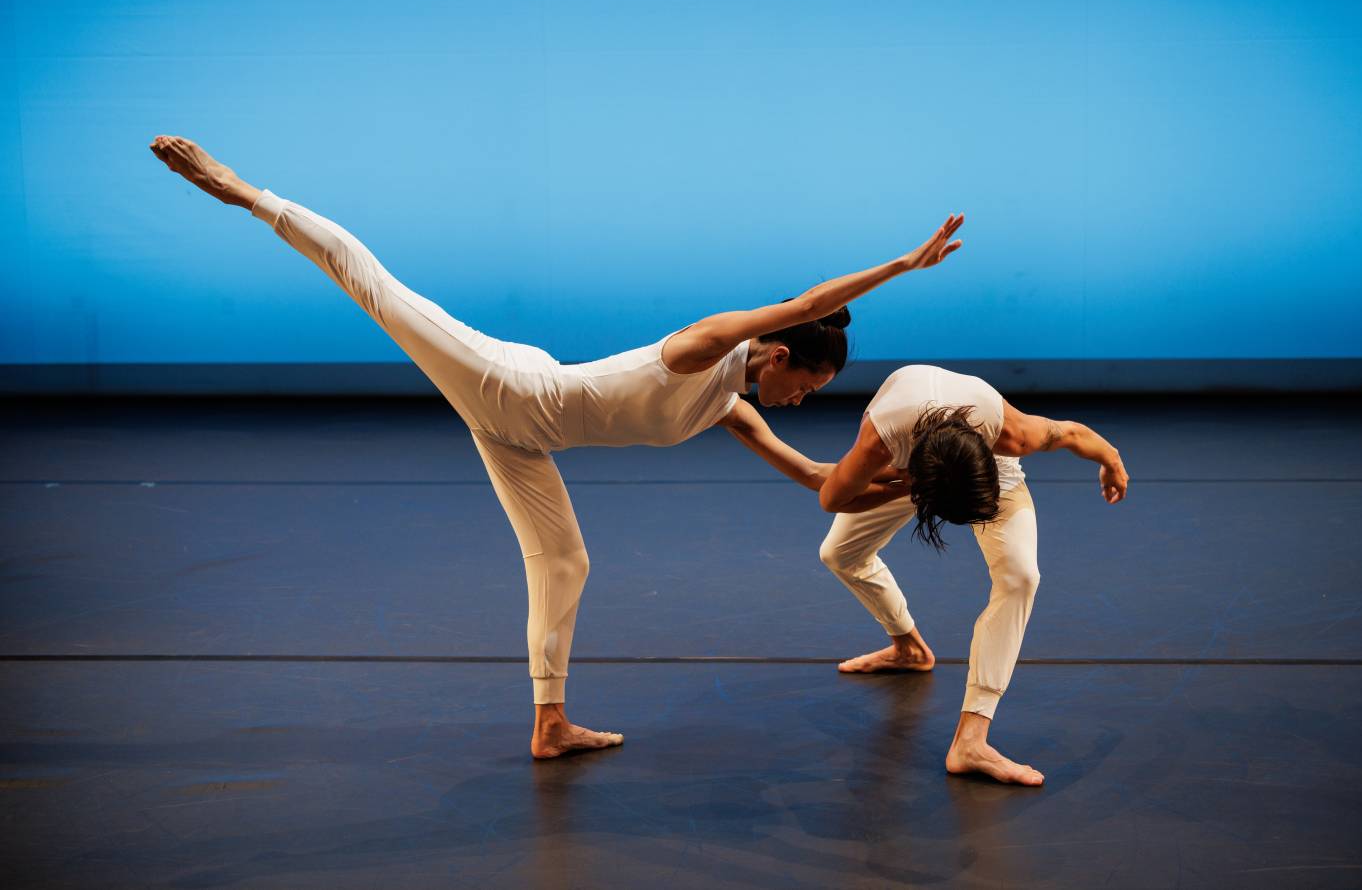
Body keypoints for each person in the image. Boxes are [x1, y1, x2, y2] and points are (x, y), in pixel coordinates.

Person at [148, 135, 966, 758]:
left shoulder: (729, 407)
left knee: (565, 563)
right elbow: (811, 299)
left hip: (522, 438)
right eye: (810, 389)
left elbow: (819, 480)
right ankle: (239, 189)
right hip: (508, 389)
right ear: (784, 355)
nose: (802, 404)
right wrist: (903, 263)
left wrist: (915, 486)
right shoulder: (703, 348)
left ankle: (550, 724)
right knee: (376, 287)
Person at [817, 364, 1129, 785]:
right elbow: (834, 497)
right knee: (839, 553)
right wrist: (905, 485)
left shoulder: (1010, 432)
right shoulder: (881, 441)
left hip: (981, 469)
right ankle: (909, 649)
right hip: (913, 468)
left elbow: (1069, 433)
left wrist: (1111, 459)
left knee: (1021, 577)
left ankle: (972, 740)